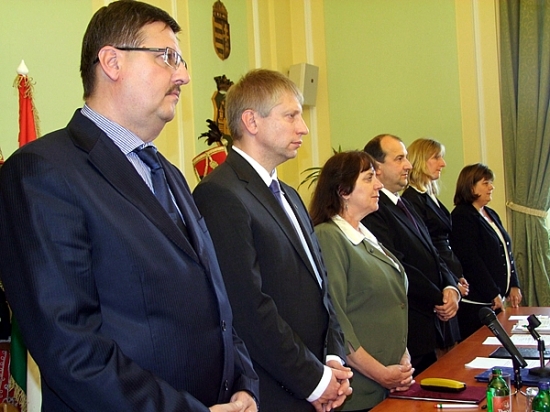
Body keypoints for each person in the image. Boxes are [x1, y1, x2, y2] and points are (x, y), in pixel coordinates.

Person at [0, 2, 259, 411]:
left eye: (181, 61)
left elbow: (213, 301)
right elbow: (71, 348)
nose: (183, 75)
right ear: (112, 62)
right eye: (167, 57)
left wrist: (245, 386)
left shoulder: (168, 172)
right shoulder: (43, 172)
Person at [193, 69, 352, 412]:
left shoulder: (290, 195)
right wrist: (314, 380)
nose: (303, 128)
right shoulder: (220, 193)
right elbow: (247, 308)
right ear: (251, 121)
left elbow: (321, 286)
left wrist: (333, 358)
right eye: (291, 116)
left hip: (316, 378)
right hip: (275, 391)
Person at [310, 151, 414, 411]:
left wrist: (402, 360)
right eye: (369, 178)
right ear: (343, 191)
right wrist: (381, 373)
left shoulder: (366, 235)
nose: (378, 185)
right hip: (360, 390)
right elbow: (337, 320)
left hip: (388, 384)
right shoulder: (329, 236)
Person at [362, 134, 460, 375]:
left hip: (434, 322)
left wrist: (451, 286)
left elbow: (433, 253)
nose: (408, 165)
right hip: (412, 326)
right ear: (377, 167)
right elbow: (397, 265)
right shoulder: (374, 211)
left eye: (406, 158)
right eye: (399, 159)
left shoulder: (405, 204)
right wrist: (439, 297)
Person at [402, 138, 469, 350]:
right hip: (436, 285)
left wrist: (455, 279)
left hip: (447, 279)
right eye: (436, 157)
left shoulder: (429, 196)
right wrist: (449, 282)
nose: (443, 163)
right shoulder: (412, 199)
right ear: (421, 160)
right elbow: (426, 249)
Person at [450, 163, 522, 339]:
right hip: (477, 305)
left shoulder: (490, 213)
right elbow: (471, 260)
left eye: (491, 183)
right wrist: (492, 292)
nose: (491, 187)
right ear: (470, 186)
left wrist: (514, 284)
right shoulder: (462, 216)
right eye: (485, 183)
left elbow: (505, 251)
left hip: (496, 299)